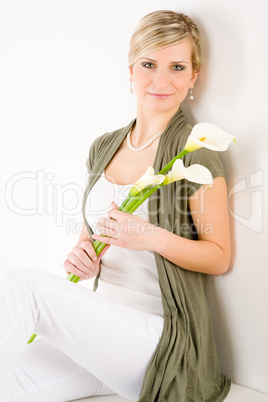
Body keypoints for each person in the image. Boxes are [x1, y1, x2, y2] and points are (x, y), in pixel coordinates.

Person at [0, 10, 231, 402]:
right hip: (99, 337)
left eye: (176, 66)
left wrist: (151, 237)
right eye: (148, 64)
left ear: (193, 76)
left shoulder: (196, 153)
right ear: (130, 70)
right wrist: (83, 256)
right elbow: (91, 234)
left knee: (23, 287)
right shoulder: (104, 146)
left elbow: (219, 257)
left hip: (158, 342)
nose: (161, 80)